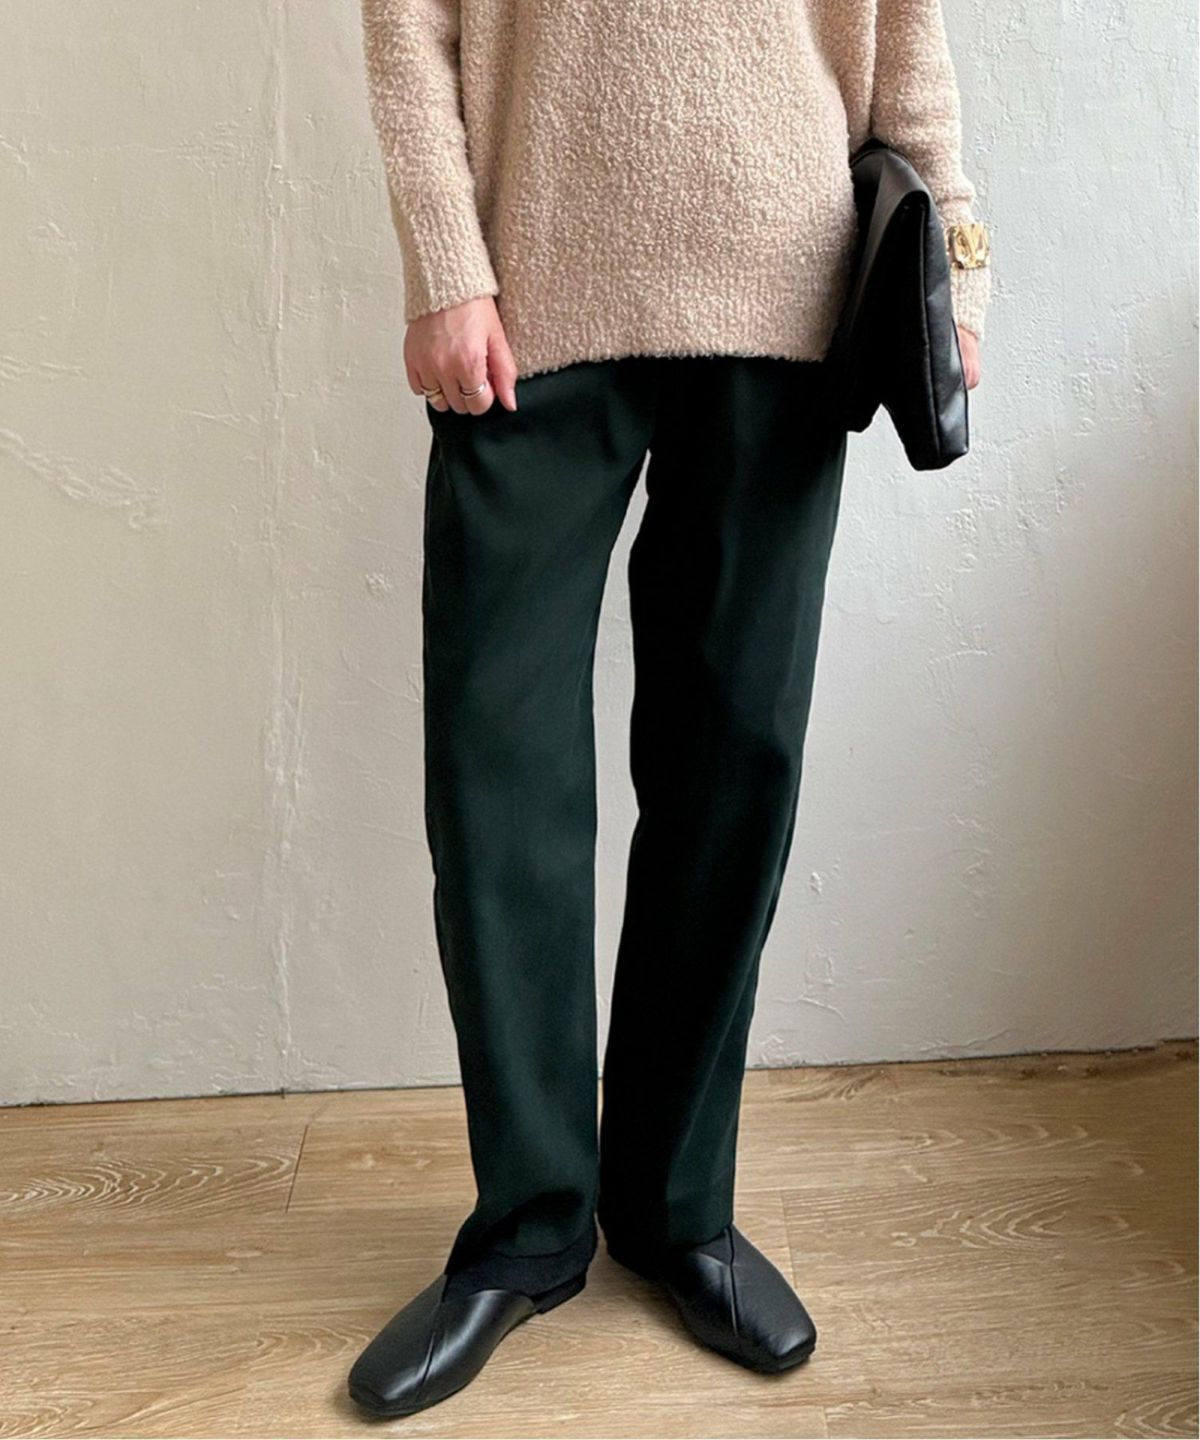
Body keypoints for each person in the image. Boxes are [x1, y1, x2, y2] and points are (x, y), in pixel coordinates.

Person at [349, 0, 992, 1419]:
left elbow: (908, 46)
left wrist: (955, 266)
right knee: (495, 769)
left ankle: (677, 1209)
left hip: (791, 313)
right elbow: (408, 25)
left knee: (732, 773)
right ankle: (527, 1231)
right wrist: (444, 265)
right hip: (527, 307)